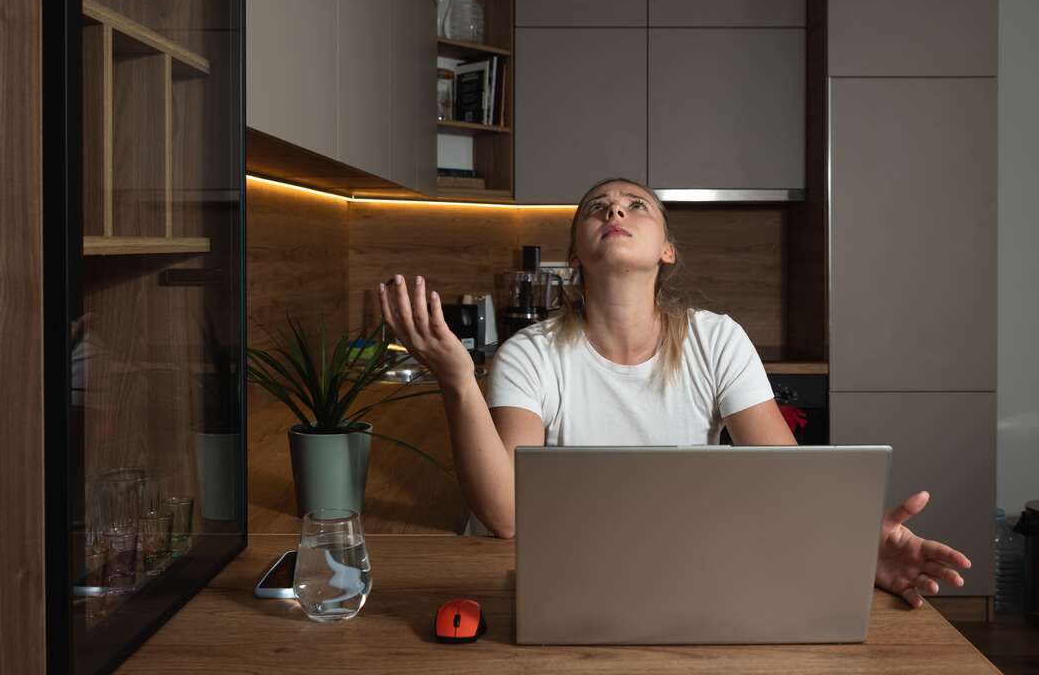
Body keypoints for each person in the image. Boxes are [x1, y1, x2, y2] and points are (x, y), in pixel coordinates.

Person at [379, 176, 971, 610]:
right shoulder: (530, 354)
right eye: (597, 209)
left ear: (666, 250)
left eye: (637, 205)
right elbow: (505, 518)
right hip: (560, 579)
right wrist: (458, 381)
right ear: (575, 254)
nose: (616, 210)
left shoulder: (717, 340)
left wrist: (854, 546)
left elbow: (785, 477)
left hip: (679, 570)